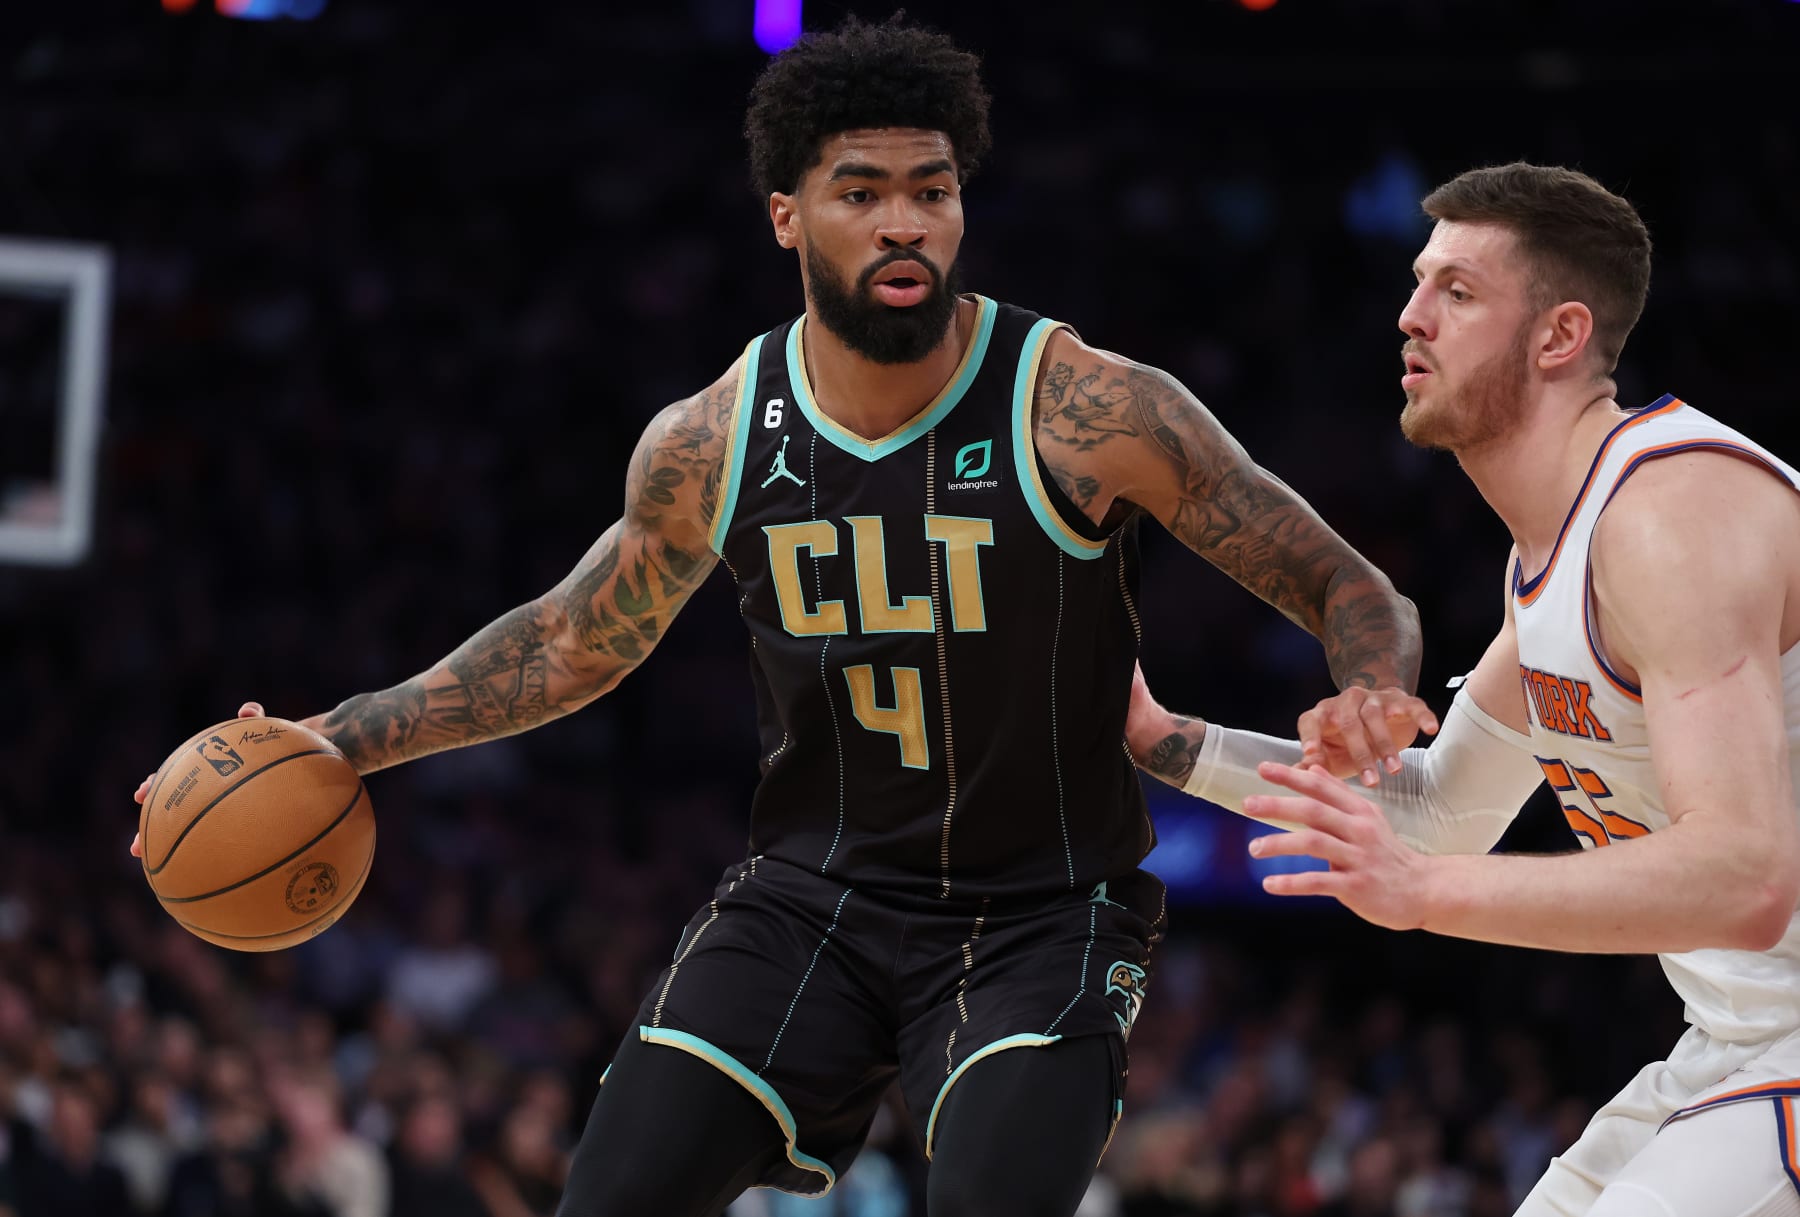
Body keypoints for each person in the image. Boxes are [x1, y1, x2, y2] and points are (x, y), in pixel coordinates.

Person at [133, 15, 1423, 1216]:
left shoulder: (1087, 407)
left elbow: (1350, 583)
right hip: (816, 895)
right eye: (862, 193)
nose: (905, 223)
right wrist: (343, 737)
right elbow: (574, 638)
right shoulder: (710, 438)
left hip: (1045, 911)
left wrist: (1369, 680)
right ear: (786, 216)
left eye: (933, 190)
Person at [1128, 161, 1800, 1217]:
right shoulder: (1555, 554)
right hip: (1736, 1041)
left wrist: (1423, 896)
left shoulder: (1671, 515)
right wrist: (1162, 736)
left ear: (1559, 336)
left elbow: (1751, 878)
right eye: (1417, 281)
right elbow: (1439, 815)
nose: (1411, 316)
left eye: (1458, 291)